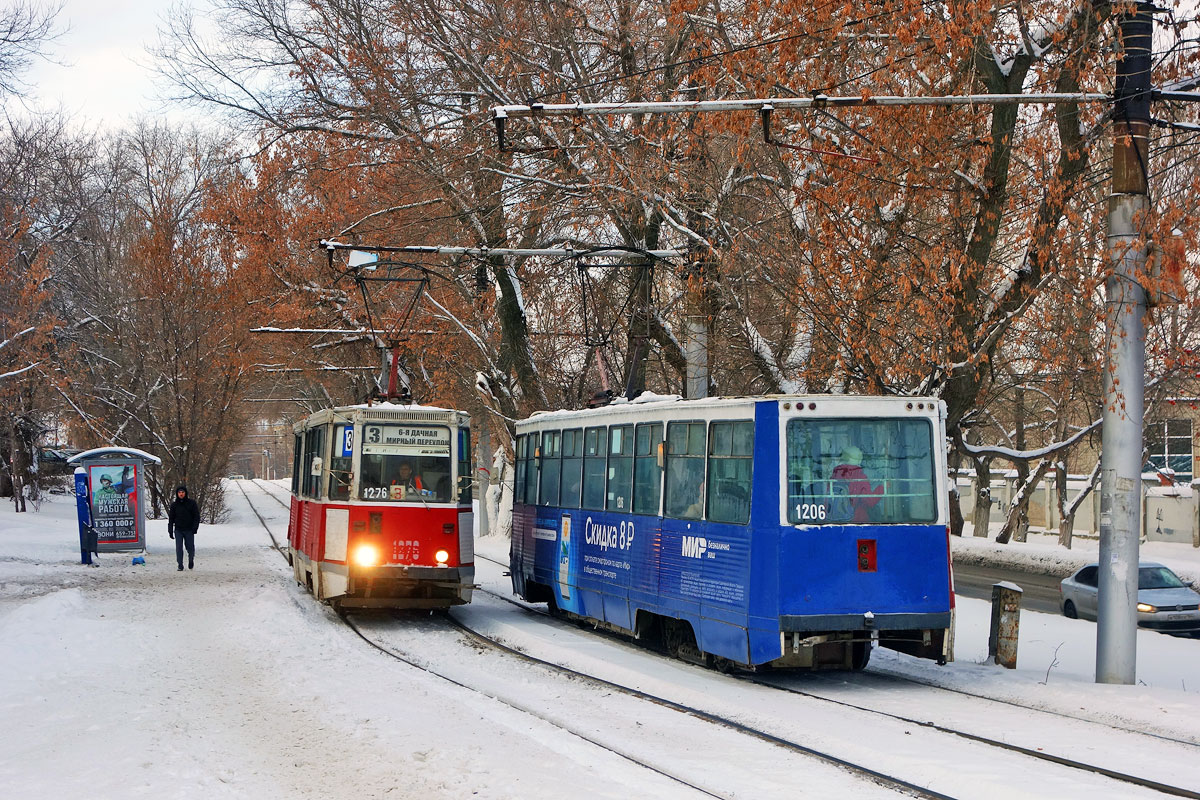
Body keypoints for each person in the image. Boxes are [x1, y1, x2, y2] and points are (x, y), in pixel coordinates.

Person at [831, 445, 883, 523]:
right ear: (858, 460)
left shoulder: (835, 474)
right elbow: (869, 501)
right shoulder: (859, 476)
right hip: (857, 519)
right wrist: (882, 488)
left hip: (835, 518)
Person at [167, 484, 201, 571]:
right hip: (178, 529)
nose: (181, 494)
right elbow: (171, 518)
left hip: (189, 529)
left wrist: (195, 527)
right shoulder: (174, 505)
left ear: (185, 493)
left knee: (190, 547)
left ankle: (191, 560)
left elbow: (196, 516)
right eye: (179, 492)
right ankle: (180, 564)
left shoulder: (191, 503)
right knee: (179, 548)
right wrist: (170, 530)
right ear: (177, 494)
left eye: (182, 492)